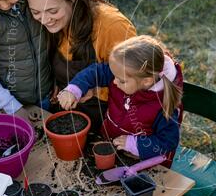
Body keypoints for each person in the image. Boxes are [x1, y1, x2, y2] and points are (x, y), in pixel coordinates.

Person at [23, 0, 136, 130]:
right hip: (68, 116)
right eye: (36, 12)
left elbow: (137, 76)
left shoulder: (112, 26)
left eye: (53, 11)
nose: (45, 20)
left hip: (110, 122)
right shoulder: (54, 24)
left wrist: (93, 90)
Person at [57, 35, 184, 167]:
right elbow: (96, 72)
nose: (114, 81)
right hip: (111, 144)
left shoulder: (165, 105)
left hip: (143, 163)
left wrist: (135, 145)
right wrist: (75, 89)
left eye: (121, 81)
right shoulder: (124, 73)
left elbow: (168, 142)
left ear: (147, 81)